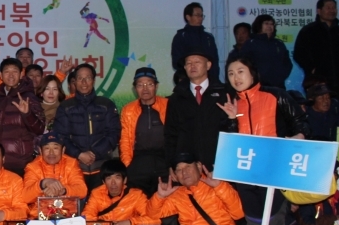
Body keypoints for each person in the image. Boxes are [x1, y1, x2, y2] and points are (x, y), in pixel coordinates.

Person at [219, 56, 308, 225]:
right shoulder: (233, 103)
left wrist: (297, 137)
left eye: (240, 71)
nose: (236, 78)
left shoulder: (275, 95)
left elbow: (301, 122)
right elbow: (231, 145)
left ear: (253, 73)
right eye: (230, 74)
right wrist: (231, 119)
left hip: (274, 171)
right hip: (247, 175)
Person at [53, 63, 120, 191]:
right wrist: (79, 154)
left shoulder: (106, 104)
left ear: (94, 81)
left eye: (88, 78)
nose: (84, 82)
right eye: (80, 78)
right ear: (75, 82)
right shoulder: (66, 106)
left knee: (101, 207)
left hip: (102, 165)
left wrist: (94, 152)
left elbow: (114, 133)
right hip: (74, 167)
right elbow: (61, 136)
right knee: (76, 207)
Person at [164, 50, 228, 171]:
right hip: (187, 167)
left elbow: (230, 128)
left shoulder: (224, 93)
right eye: (188, 63)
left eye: (197, 62)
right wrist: (171, 165)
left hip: (218, 163)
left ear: (208, 65)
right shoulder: (176, 98)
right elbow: (170, 135)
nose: (192, 66)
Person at [0, 58, 45, 176]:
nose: (11, 75)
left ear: (21, 74)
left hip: (20, 162)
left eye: (14, 71)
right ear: (0, 75)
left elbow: (40, 129)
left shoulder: (29, 97)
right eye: (7, 71)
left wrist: (27, 113)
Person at [119, 67, 169, 196]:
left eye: (149, 84)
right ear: (135, 88)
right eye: (140, 85)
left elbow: (176, 136)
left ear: (156, 86)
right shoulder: (128, 110)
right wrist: (128, 166)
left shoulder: (168, 105)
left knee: (164, 203)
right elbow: (125, 141)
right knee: (138, 203)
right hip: (138, 163)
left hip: (164, 162)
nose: (145, 89)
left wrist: (174, 165)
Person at [293, 0, 339, 95]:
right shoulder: (309, 30)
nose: (332, 10)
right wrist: (312, 69)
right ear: (319, 11)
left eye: (334, 8)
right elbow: (299, 53)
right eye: (328, 8)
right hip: (317, 81)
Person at [22, 133, 87, 218]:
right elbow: (26, 197)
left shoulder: (71, 164)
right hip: (39, 216)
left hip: (68, 215)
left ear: (63, 150)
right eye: (47, 148)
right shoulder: (32, 167)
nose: (51, 153)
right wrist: (42, 184)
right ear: (40, 151)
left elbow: (82, 190)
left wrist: (63, 191)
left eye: (56, 148)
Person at [83, 159, 157, 225]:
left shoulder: (136, 195)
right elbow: (87, 219)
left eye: (117, 178)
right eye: (109, 178)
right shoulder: (96, 194)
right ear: (103, 182)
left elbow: (154, 219)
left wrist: (130, 223)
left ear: (124, 180)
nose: (113, 183)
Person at [231, 14, 292, 89]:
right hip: (258, 87)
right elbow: (243, 64)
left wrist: (281, 76)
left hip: (279, 87)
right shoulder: (250, 43)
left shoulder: (279, 44)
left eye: (272, 24)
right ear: (259, 25)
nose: (269, 26)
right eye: (266, 23)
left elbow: (287, 63)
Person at [171, 2, 219, 81]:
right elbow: (176, 62)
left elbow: (215, 61)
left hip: (209, 81)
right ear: (188, 17)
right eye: (197, 15)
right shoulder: (180, 37)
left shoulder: (208, 37)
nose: (200, 18)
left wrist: (214, 80)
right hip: (188, 81)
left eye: (201, 16)